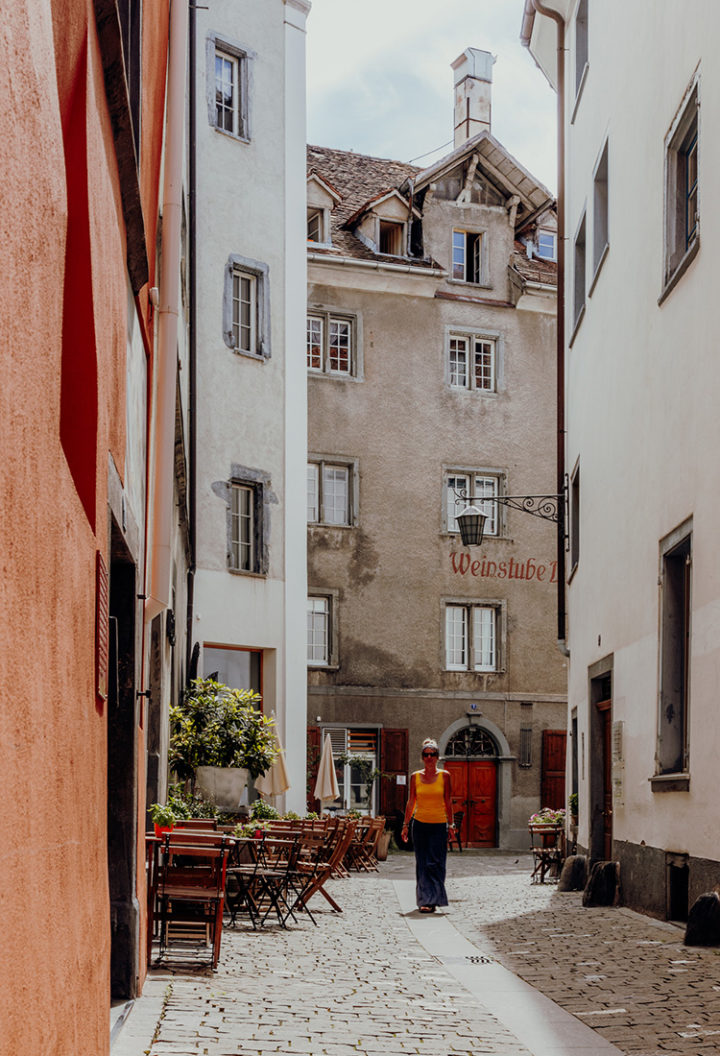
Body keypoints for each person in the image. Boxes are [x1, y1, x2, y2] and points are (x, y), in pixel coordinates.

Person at [401, 738, 455, 913]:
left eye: (432, 754)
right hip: (420, 824)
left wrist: (451, 825)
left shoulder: (445, 776)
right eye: (426, 754)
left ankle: (435, 899)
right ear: (422, 757)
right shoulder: (415, 777)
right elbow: (411, 802)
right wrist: (405, 825)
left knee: (436, 862)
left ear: (438, 757)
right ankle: (425, 900)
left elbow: (448, 801)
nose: (429, 757)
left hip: (439, 825)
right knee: (422, 863)